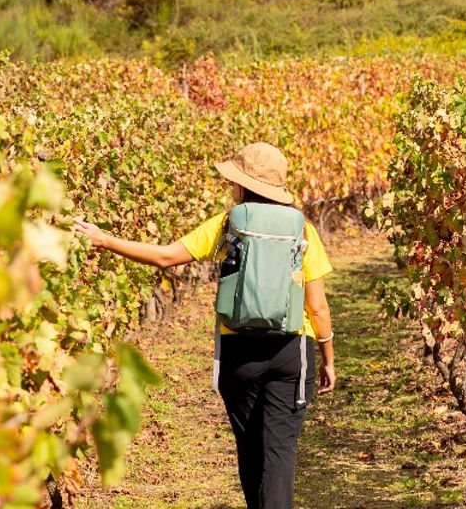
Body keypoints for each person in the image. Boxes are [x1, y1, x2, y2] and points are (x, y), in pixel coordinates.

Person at [74, 141, 335, 509]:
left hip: (239, 352)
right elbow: (318, 307)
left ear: (242, 185)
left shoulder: (230, 223)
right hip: (293, 351)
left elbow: (165, 258)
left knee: (249, 448)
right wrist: (328, 358)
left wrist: (104, 239)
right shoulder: (303, 230)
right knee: (279, 452)